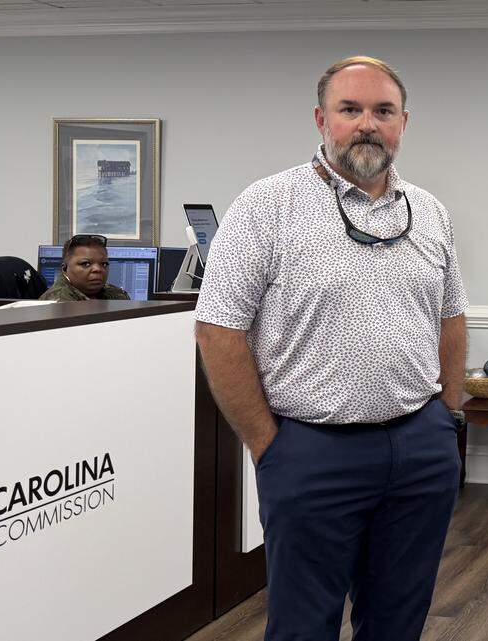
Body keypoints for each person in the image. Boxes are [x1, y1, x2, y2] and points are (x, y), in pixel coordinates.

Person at [193, 56, 468, 641]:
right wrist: (269, 447)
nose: (367, 123)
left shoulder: (430, 212)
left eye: (382, 111)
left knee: (399, 619)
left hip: (419, 448)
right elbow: (218, 331)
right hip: (310, 451)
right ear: (322, 119)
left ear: (403, 122)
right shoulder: (266, 206)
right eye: (350, 110)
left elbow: (451, 314)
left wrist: (447, 412)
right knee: (302, 625)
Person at [38, 234, 130, 301]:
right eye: (86, 264)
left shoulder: (117, 295)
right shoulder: (57, 303)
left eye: (104, 264)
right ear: (65, 269)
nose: (97, 269)